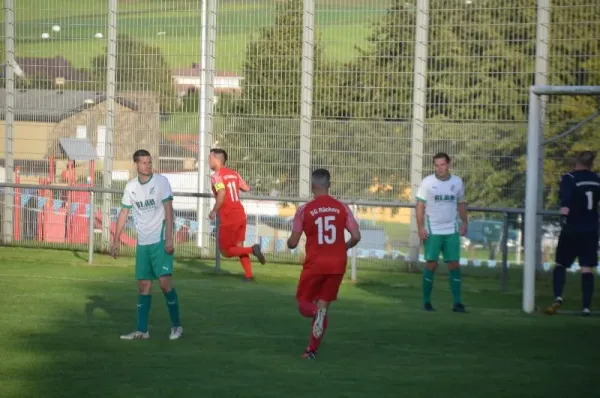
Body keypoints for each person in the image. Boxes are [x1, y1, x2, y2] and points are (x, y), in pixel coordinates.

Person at [287, 168, 361, 360]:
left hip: (315, 264)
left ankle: (316, 314)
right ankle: (311, 350)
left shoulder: (304, 210)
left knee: (304, 304)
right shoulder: (342, 207)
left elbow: (293, 242)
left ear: (312, 186)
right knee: (323, 304)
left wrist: (290, 242)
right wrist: (343, 248)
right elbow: (356, 236)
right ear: (329, 185)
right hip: (337, 264)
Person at [112, 149, 183, 340]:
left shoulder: (161, 182)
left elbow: (169, 211)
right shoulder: (131, 187)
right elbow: (124, 213)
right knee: (144, 286)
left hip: (160, 240)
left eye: (150, 162)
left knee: (164, 284)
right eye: (144, 162)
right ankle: (142, 331)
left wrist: (169, 238)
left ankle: (176, 326)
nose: (148, 165)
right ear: (136, 164)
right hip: (143, 243)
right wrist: (116, 239)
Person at [545, 151, 600, 317]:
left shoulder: (569, 178)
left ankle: (558, 297)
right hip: (591, 230)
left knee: (561, 264)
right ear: (591, 164)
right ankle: (586, 307)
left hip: (572, 228)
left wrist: (564, 217)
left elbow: (566, 202)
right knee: (586, 268)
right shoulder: (597, 180)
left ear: (576, 162)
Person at [416, 152, 468, 312]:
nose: (440, 168)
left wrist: (465, 221)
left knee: (454, 264)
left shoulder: (457, 182)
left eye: (443, 165)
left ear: (448, 164)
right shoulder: (427, 183)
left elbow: (461, 204)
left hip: (451, 230)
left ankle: (457, 303)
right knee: (431, 264)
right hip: (433, 230)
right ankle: (426, 302)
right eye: (437, 165)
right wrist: (420, 227)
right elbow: (419, 207)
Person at [208, 148, 266, 281]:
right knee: (239, 247)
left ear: (217, 159)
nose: (208, 162)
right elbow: (246, 187)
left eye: (210, 158)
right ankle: (249, 276)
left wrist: (214, 210)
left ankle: (252, 250)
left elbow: (221, 193)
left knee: (226, 251)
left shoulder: (216, 176)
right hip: (240, 214)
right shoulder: (234, 173)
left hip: (229, 215)